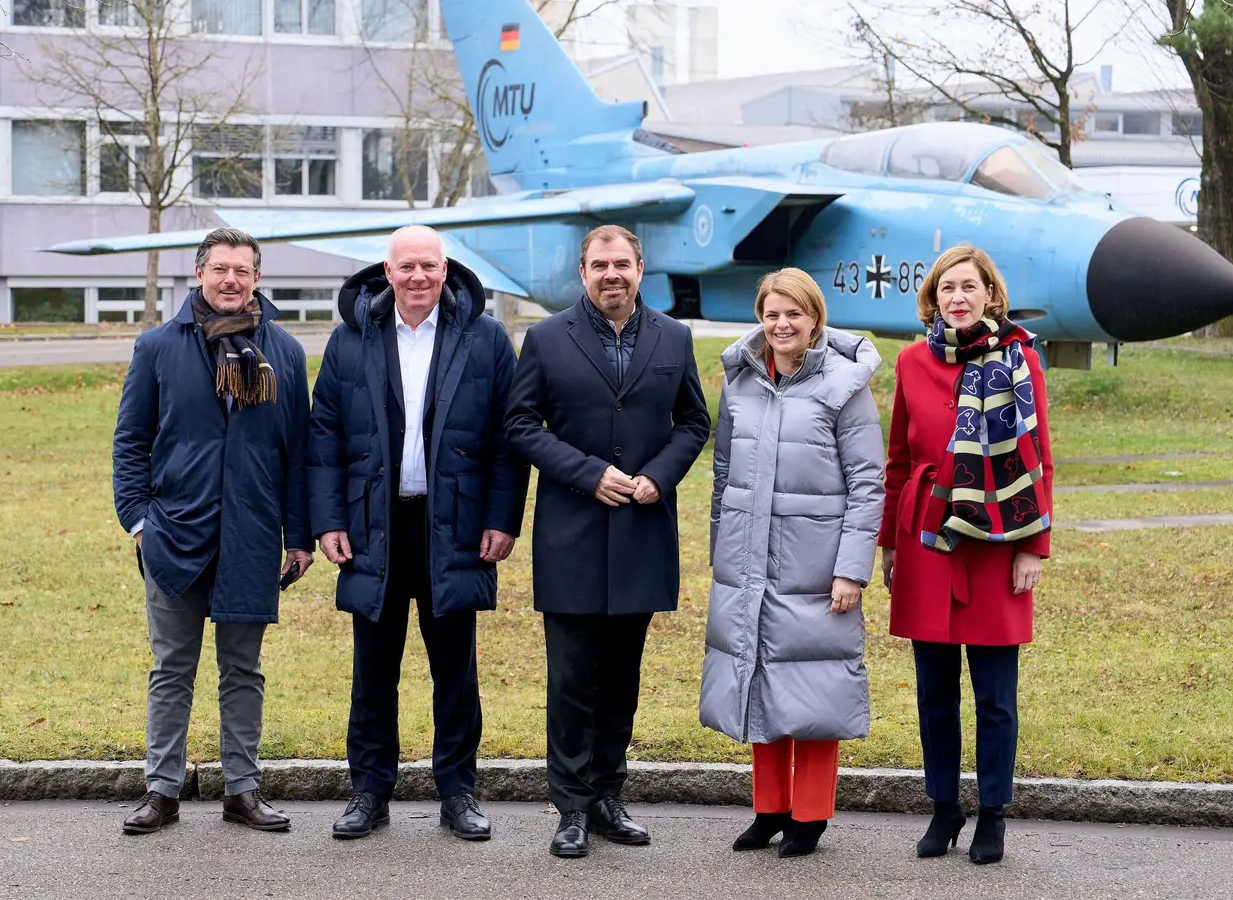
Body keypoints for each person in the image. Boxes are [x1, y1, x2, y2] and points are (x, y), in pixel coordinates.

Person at [308, 225, 527, 842]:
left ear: (445, 267)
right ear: (387, 270)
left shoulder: (484, 339)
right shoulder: (351, 340)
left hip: (454, 527)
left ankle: (458, 792)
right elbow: (323, 437)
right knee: (372, 670)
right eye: (407, 267)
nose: (418, 278)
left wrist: (501, 519)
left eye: (429, 266)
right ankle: (368, 793)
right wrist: (328, 520)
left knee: (455, 672)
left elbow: (509, 441)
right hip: (373, 526)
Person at [505, 224, 712, 858]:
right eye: (600, 265)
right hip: (572, 531)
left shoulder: (673, 337)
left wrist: (658, 476)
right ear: (583, 271)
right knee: (571, 678)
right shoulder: (545, 339)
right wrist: (587, 473)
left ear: (640, 268)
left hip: (641, 532)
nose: (611, 274)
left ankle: (607, 795)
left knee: (622, 676)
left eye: (621, 263)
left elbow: (695, 421)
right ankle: (569, 805)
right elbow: (519, 423)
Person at [113, 227, 314, 835]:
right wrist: (140, 521)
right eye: (220, 269)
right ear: (199, 274)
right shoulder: (157, 347)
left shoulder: (284, 352)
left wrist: (298, 535)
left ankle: (242, 790)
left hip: (251, 538)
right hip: (175, 534)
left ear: (257, 278)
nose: (232, 280)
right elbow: (131, 441)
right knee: (172, 667)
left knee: (243, 670)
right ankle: (162, 790)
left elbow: (298, 452)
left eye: (243, 271)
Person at [879, 245, 1054, 866]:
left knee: (995, 694)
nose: (957, 298)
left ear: (990, 295)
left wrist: (1034, 545)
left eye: (968, 287)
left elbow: (1039, 456)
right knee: (933, 690)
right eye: (946, 288)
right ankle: (944, 808)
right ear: (934, 298)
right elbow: (897, 459)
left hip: (996, 541)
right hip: (927, 539)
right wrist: (887, 543)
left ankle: (993, 815)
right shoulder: (909, 361)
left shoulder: (1020, 357)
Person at [700, 268, 884, 858]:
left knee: (815, 685)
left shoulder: (844, 386)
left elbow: (867, 481)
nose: (782, 325)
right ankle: (769, 809)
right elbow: (724, 471)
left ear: (815, 320)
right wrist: (719, 551)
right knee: (756, 678)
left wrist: (852, 569)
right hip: (747, 561)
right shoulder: (742, 381)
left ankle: (811, 815)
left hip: (816, 564)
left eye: (794, 315)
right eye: (772, 314)